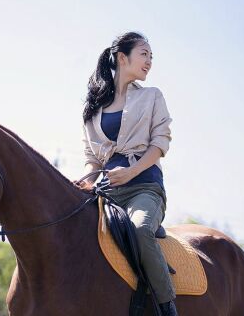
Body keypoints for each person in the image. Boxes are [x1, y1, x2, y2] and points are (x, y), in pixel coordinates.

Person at [76, 31, 177, 316]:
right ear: (123, 57)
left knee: (140, 228)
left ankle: (167, 307)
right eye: (144, 54)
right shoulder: (92, 109)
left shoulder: (152, 96)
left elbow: (160, 143)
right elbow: (92, 160)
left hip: (145, 187)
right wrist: (84, 181)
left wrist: (131, 171)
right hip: (106, 192)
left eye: (151, 57)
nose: (149, 62)